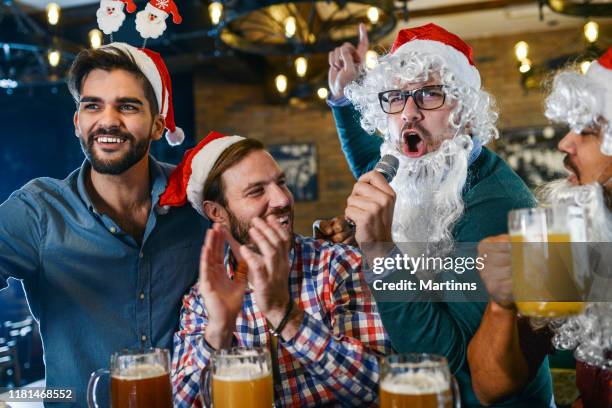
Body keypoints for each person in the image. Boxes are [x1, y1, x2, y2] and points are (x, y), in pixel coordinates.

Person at [326, 23, 553, 406]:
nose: (409, 114)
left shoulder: (494, 207)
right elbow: (372, 163)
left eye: (430, 94)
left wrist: (381, 254)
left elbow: (447, 363)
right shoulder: (427, 164)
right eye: (396, 97)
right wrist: (344, 98)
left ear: (464, 111)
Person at [0, 43, 207, 406]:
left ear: (158, 125)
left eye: (127, 106)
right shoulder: (39, 210)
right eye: (92, 105)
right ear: (78, 121)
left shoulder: (196, 198)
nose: (108, 120)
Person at [164, 131, 391, 407]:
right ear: (217, 213)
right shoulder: (202, 301)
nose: (282, 199)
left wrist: (285, 314)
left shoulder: (339, 264)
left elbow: (379, 388)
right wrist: (218, 331)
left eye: (281, 183)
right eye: (256, 191)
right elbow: (178, 402)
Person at [470, 48, 612, 408]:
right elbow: (491, 387)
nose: (565, 143)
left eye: (589, 129)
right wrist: (502, 303)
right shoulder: (569, 238)